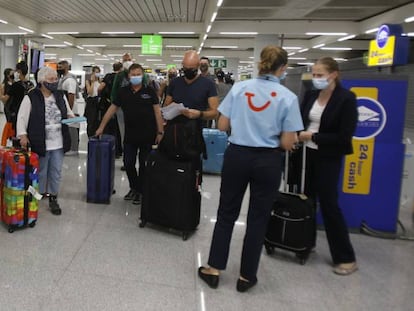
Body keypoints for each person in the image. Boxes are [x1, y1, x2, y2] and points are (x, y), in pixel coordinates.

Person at [198, 45, 303, 292]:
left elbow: (222, 126)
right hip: (268, 161)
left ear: (259, 64)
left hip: (238, 156)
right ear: (283, 68)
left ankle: (214, 269)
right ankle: (246, 276)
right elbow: (289, 142)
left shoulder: (240, 88)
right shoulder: (288, 97)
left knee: (226, 213)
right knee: (258, 218)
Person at [297, 57, 358, 275]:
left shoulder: (346, 99)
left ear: (333, 74)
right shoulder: (312, 95)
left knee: (329, 204)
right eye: (314, 74)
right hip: (308, 155)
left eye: (320, 74)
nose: (316, 78)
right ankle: (306, 242)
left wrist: (313, 136)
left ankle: (345, 257)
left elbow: (344, 137)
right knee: (308, 201)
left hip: (329, 157)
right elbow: (300, 119)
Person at [96, 63, 164, 205]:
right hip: (130, 135)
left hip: (148, 134)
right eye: (133, 75)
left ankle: (141, 191)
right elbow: (112, 109)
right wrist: (101, 126)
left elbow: (157, 112)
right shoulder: (123, 92)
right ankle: (134, 187)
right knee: (128, 163)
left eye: (138, 74)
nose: (136, 77)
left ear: (142, 75)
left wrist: (160, 131)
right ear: (128, 76)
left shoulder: (149, 91)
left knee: (144, 165)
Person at [16, 66, 74, 215]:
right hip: (39, 141)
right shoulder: (31, 96)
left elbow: (68, 112)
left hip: (58, 142)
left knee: (56, 171)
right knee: (39, 172)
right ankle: (36, 196)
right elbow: (22, 117)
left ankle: (53, 198)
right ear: (41, 81)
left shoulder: (60, 96)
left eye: (56, 79)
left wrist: (73, 117)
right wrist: (22, 134)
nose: (54, 82)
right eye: (51, 79)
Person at [163, 51, 219, 129]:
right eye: (185, 68)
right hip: (175, 130)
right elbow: (166, 106)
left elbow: (215, 113)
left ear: (198, 66)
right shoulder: (174, 83)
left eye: (191, 69)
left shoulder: (208, 84)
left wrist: (199, 114)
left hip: (196, 130)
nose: (188, 71)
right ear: (182, 65)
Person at [57, 60, 79, 155]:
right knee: (68, 127)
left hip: (72, 107)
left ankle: (73, 148)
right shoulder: (63, 79)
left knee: (72, 127)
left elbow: (71, 95)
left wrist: (69, 110)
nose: (58, 69)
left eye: (60, 67)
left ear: (66, 67)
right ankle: (68, 146)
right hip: (65, 107)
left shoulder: (70, 80)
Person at [5, 61, 34, 132]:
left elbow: (5, 99)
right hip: (28, 111)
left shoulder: (15, 85)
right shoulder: (31, 84)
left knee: (16, 131)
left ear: (19, 71)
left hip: (16, 111)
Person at [84, 66, 105, 137]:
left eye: (98, 72)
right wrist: (92, 82)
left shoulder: (100, 82)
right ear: (92, 73)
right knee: (91, 122)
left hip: (98, 103)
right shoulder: (88, 81)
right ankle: (90, 136)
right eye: (96, 72)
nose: (97, 74)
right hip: (91, 103)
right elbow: (90, 92)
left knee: (97, 121)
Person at [0, 68, 15, 146]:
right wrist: (8, 96)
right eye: (12, 73)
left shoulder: (15, 83)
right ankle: (7, 138)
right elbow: (2, 97)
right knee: (9, 122)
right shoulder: (3, 85)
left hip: (15, 106)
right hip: (8, 107)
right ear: (8, 75)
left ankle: (12, 137)